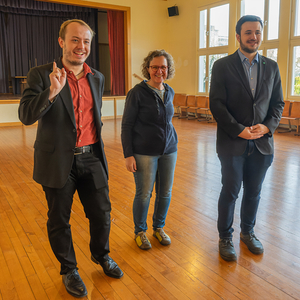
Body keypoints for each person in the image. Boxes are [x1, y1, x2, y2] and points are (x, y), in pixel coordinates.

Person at [18, 19, 123, 298]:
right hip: (57, 161)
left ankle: (101, 255)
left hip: (91, 157)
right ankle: (69, 269)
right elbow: (27, 116)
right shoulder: (41, 74)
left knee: (102, 214)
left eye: (86, 41)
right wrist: (51, 92)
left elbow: (93, 119)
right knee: (59, 220)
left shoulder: (96, 77)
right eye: (75, 40)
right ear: (62, 42)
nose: (81, 46)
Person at [209, 15, 284, 261]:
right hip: (232, 141)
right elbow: (217, 105)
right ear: (238, 36)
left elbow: (277, 104)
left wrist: (267, 127)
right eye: (248, 32)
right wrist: (238, 129)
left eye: (258, 32)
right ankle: (225, 237)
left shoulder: (271, 67)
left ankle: (248, 232)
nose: (254, 37)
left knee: (254, 192)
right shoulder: (222, 65)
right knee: (230, 191)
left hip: (262, 144)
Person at [121, 50, 178, 250]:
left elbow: (167, 121)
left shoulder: (169, 91)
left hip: (169, 150)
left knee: (165, 193)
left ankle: (159, 228)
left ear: (168, 69)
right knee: (144, 193)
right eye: (155, 67)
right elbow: (127, 125)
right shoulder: (137, 93)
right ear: (148, 68)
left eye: (163, 67)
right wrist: (128, 154)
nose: (159, 71)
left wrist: (172, 141)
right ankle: (140, 231)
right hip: (144, 152)